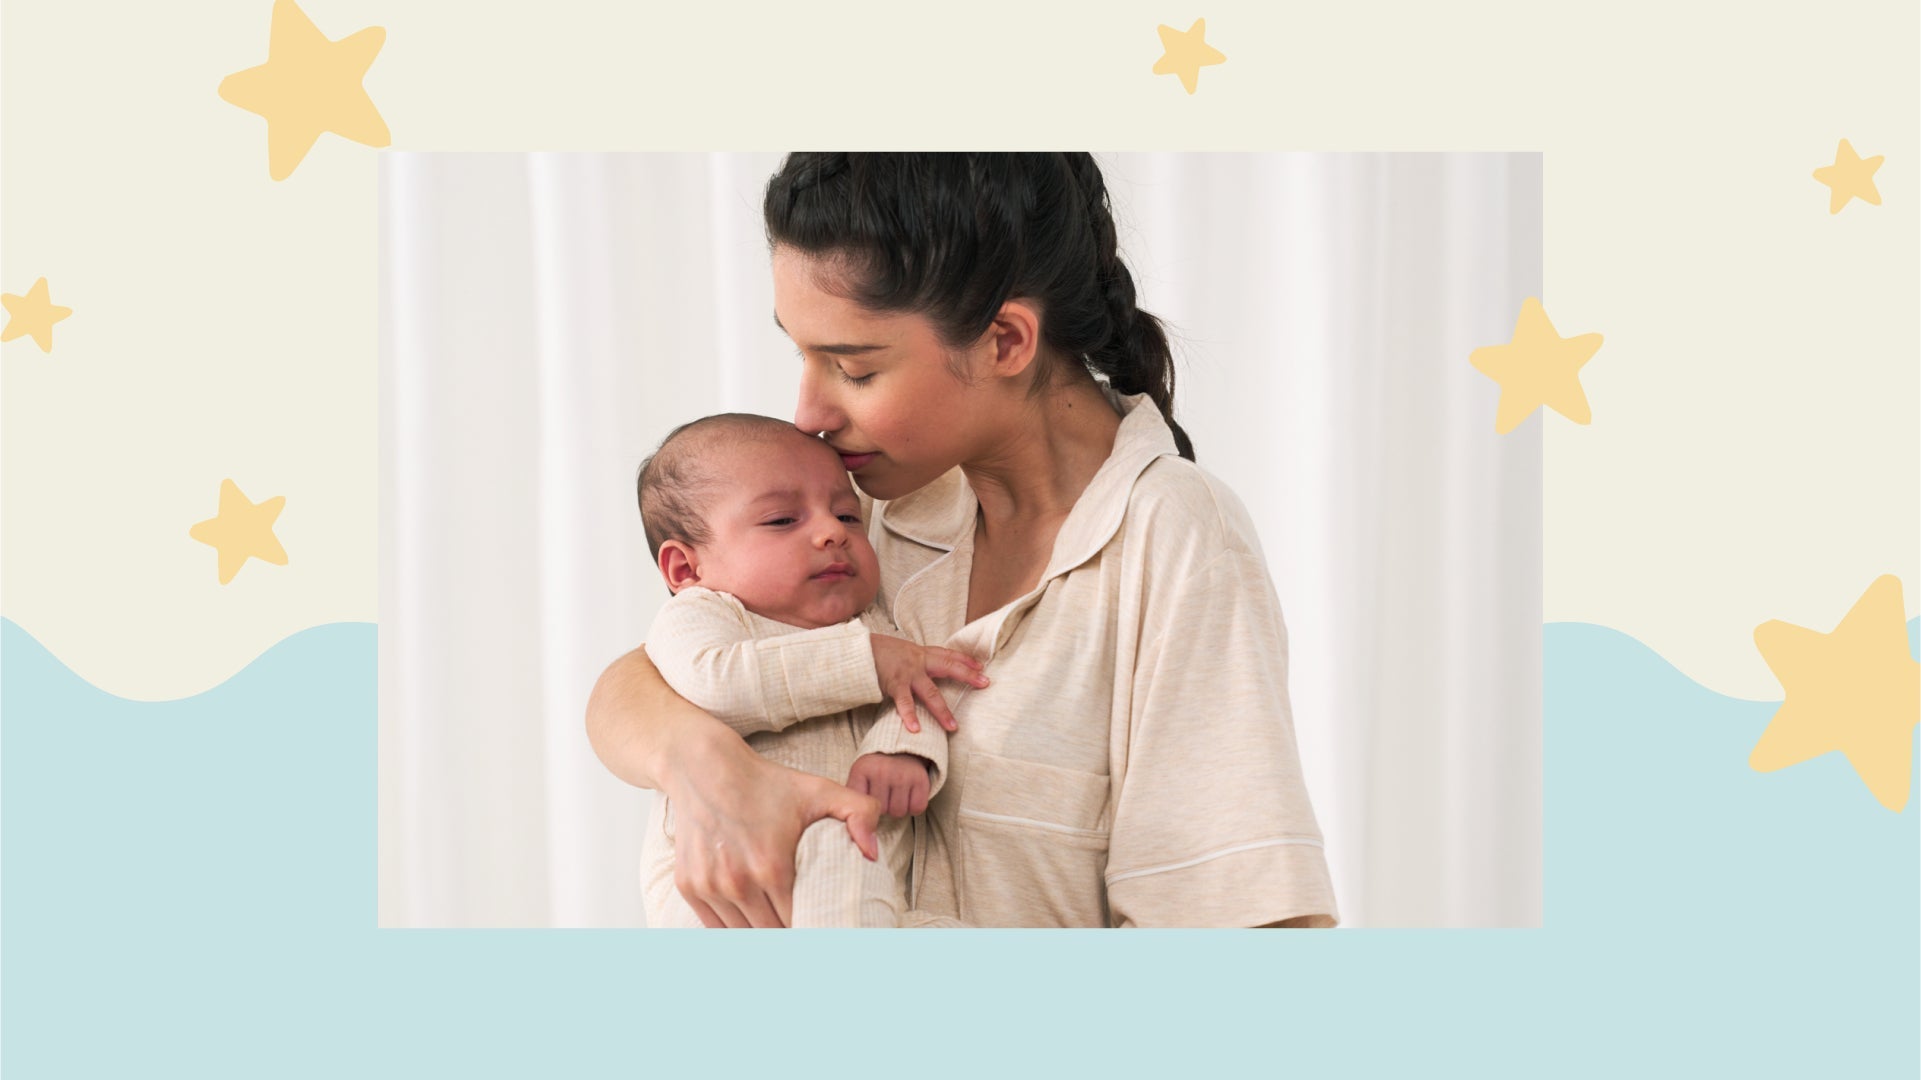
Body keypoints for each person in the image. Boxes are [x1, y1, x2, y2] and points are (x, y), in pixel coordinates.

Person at [587, 152, 1339, 928]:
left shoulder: (1171, 542)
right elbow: (643, 675)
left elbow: (1243, 918)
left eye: (852, 367)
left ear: (1006, 341)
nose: (807, 412)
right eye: (800, 353)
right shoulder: (850, 512)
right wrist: (702, 766)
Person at [632, 412, 987, 927]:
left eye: (847, 517)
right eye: (782, 520)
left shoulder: (875, 621)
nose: (831, 533)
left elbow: (920, 692)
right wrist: (869, 660)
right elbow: (716, 681)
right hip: (728, 898)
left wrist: (902, 748)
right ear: (686, 569)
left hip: (866, 898)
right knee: (832, 837)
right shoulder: (703, 615)